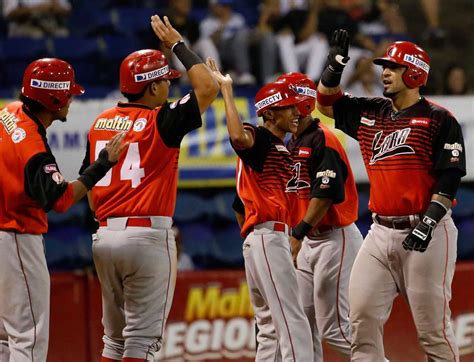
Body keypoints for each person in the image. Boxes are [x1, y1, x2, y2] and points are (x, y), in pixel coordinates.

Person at [316, 30, 466, 360]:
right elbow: (325, 102)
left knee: (433, 333)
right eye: (384, 66)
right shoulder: (372, 111)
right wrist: (336, 64)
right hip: (380, 231)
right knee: (362, 322)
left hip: (428, 231)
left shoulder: (439, 119)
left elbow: (451, 175)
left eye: (393, 67)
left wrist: (428, 222)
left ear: (413, 72)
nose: (384, 71)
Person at [80, 15, 218, 362]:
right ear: (152, 87)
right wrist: (176, 44)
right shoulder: (160, 120)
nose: (169, 87)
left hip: (105, 235)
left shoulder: (100, 122)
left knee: (113, 342)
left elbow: (91, 188)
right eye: (165, 82)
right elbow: (207, 87)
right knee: (141, 343)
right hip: (146, 236)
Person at [0, 58, 126, 361]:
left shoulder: (8, 112)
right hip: (16, 238)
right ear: (53, 98)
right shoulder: (32, 145)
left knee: (5, 337)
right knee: (28, 337)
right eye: (68, 94)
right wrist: (101, 165)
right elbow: (61, 200)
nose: (71, 99)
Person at [207, 57, 313, 361]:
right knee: (293, 320)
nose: (296, 112)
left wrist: (254, 237)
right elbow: (238, 137)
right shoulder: (261, 137)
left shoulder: (276, 146)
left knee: (268, 326)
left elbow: (239, 204)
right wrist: (227, 91)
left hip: (261, 237)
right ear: (269, 112)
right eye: (289, 107)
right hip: (269, 235)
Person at [277, 71, 363, 361]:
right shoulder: (292, 142)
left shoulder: (322, 139)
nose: (279, 110)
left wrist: (297, 232)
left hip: (333, 239)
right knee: (300, 322)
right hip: (307, 240)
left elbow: (325, 195)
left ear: (301, 105)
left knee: (335, 328)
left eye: (285, 104)